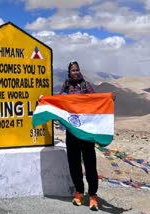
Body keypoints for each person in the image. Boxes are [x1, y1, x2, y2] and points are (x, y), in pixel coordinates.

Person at [59, 61, 99, 211]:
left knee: (90, 163)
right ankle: (79, 192)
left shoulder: (86, 86)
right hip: (71, 132)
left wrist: (108, 98)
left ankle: (93, 195)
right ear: (69, 72)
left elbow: (96, 101)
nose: (75, 72)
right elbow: (59, 103)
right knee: (74, 163)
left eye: (77, 70)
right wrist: (44, 101)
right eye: (73, 70)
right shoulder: (66, 87)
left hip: (86, 133)